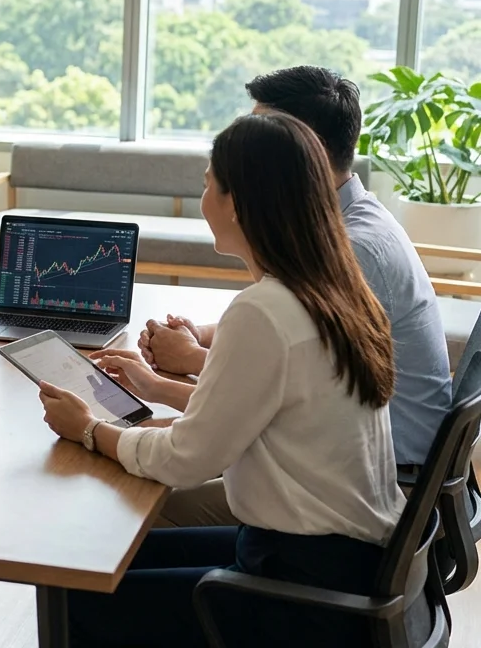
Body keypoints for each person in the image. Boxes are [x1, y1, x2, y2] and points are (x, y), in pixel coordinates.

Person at [39, 113, 405, 648]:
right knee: (96, 561)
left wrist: (92, 430)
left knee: (70, 592)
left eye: (208, 183)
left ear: (237, 200)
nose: (203, 196)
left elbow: (187, 461)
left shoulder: (264, 310)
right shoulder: (336, 289)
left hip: (302, 588)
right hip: (352, 558)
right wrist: (160, 402)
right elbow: (265, 416)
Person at [133, 65, 450, 527]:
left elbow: (282, 377)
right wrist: (200, 337)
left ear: (302, 152)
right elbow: (293, 347)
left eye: (265, 135)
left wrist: (185, 364)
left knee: (142, 507)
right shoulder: (349, 223)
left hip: (372, 485)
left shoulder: (355, 248)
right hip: (354, 472)